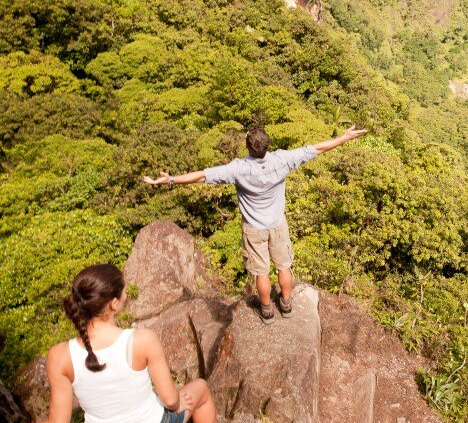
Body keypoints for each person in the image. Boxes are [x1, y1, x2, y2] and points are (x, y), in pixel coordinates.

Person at [0, 264, 236, 423]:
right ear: (114, 304)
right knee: (201, 388)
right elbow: (171, 400)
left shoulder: (60, 356)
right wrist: (178, 403)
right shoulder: (142, 340)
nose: (127, 293)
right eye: (124, 291)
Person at [143, 125, 367, 323]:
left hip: (253, 228)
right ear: (267, 145)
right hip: (277, 224)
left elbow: (202, 176)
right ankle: (286, 304)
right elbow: (316, 149)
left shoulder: (238, 168)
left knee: (261, 272)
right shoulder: (282, 160)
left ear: (248, 147)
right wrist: (344, 137)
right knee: (284, 266)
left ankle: (267, 310)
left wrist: (171, 180)